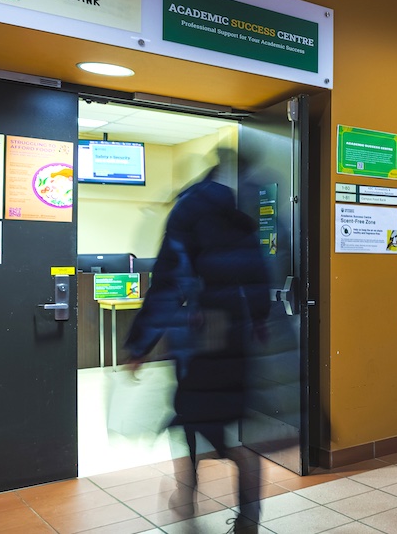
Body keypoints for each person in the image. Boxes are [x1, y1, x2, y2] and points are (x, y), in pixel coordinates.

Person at [122, 166, 271, 533]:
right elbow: (260, 281)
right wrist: (257, 321)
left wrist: (140, 344)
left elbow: (166, 284)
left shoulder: (185, 217)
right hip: (235, 342)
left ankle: (186, 498)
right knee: (237, 432)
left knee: (187, 422)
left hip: (197, 342)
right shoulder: (240, 223)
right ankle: (249, 519)